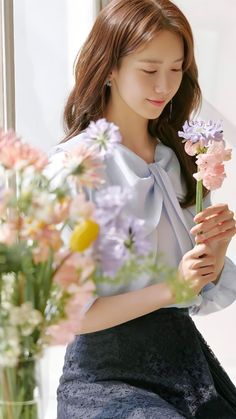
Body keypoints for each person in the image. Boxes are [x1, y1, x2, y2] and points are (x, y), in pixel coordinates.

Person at [50, 0, 236, 417]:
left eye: (176, 69)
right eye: (149, 70)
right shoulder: (76, 169)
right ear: (110, 68)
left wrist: (216, 255)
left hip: (188, 368)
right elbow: (71, 315)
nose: (164, 86)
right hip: (105, 380)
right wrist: (174, 288)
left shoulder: (182, 160)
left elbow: (198, 298)